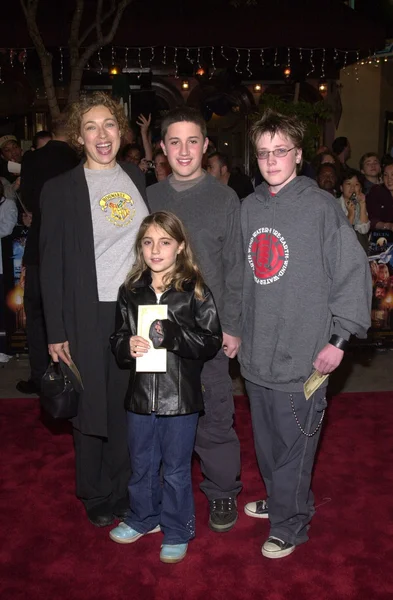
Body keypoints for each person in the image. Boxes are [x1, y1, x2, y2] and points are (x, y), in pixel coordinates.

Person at [240, 109, 371, 559]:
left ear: (297, 154)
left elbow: (354, 275)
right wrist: (235, 331)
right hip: (257, 355)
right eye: (263, 153)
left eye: (280, 151)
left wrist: (338, 341)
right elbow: (242, 277)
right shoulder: (250, 206)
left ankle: (290, 525)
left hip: (306, 355)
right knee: (268, 442)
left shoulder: (320, 208)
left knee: (297, 442)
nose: (271, 160)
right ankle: (284, 500)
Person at [39, 91, 149, 527]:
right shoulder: (61, 189)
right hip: (87, 312)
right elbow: (50, 264)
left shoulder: (136, 178)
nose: (102, 135)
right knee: (89, 407)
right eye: (91, 127)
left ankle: (124, 488)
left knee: (127, 403)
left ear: (120, 132)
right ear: (78, 137)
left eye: (109, 125)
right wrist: (56, 330)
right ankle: (95, 490)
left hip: (134, 311)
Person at [147, 107, 243, 533]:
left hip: (209, 332)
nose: (184, 150)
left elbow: (237, 269)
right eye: (175, 141)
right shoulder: (149, 197)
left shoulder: (226, 199)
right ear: (162, 148)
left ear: (206, 146)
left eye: (192, 141)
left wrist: (233, 326)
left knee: (215, 414)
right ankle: (154, 494)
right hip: (155, 326)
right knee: (157, 416)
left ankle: (222, 493)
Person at [109, 211, 222, 564]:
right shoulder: (130, 291)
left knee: (175, 469)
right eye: (148, 242)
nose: (155, 250)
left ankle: (176, 529)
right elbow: (116, 337)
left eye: (164, 242)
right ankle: (143, 517)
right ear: (140, 248)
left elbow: (211, 341)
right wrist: (125, 346)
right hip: (140, 396)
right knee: (141, 462)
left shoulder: (196, 290)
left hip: (180, 399)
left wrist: (175, 335)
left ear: (180, 247)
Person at [16, 114, 79, 396]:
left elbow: (29, 198)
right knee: (72, 312)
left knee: (38, 312)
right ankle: (73, 374)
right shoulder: (81, 161)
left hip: (41, 244)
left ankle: (41, 376)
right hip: (75, 247)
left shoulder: (33, 160)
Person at [338, 169, 370, 252]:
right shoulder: (334, 204)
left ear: (361, 188)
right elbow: (343, 235)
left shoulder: (359, 204)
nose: (352, 187)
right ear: (341, 187)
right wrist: (351, 214)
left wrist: (363, 204)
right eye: (348, 183)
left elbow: (363, 230)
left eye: (356, 184)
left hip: (359, 251)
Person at [366, 162, 393, 232]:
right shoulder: (377, 192)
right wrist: (387, 226)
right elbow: (371, 220)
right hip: (382, 236)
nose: (389, 179)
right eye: (385, 175)